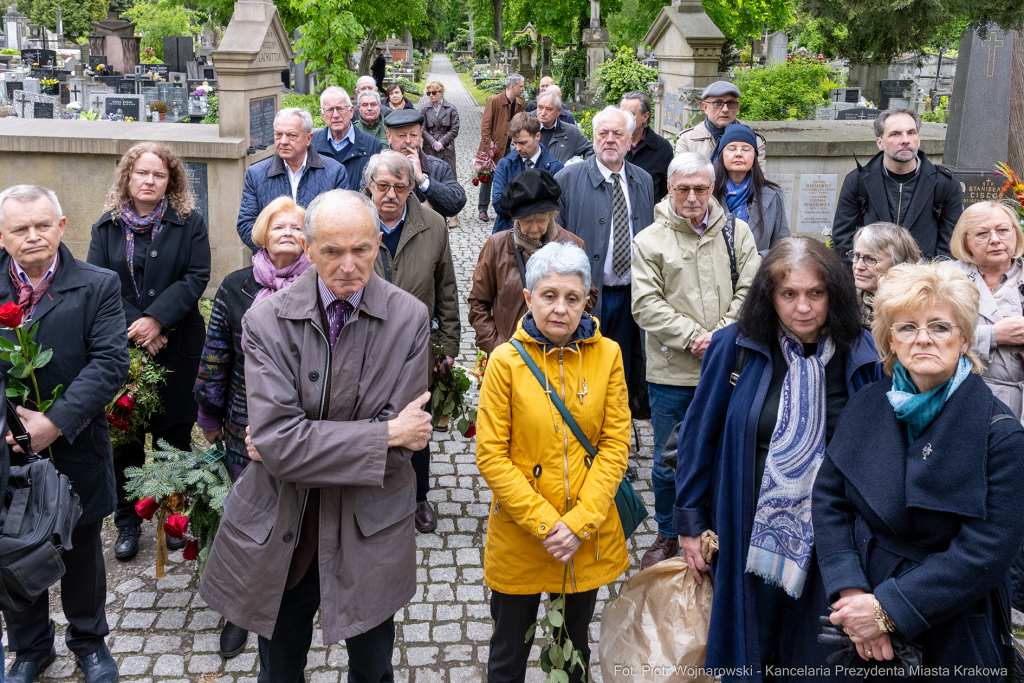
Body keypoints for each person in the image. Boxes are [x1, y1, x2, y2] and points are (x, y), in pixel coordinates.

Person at [199, 189, 433, 683]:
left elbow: (400, 449)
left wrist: (298, 442)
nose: (349, 265)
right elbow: (280, 444)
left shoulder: (410, 318)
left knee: (373, 671)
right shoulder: (265, 319)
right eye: (332, 251)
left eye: (362, 250)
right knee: (279, 671)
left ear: (377, 244)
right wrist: (385, 432)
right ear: (308, 249)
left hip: (370, 522)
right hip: (287, 525)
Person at [675, 237, 881, 682]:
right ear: (770, 297)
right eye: (789, 294)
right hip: (748, 522)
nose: (802, 307)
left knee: (816, 648)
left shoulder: (860, 352)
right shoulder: (737, 345)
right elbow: (699, 435)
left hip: (834, 532)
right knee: (755, 640)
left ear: (835, 295)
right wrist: (690, 524)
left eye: (815, 293)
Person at [813, 261, 1024, 674]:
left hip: (949, 617)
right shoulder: (868, 403)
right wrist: (852, 591)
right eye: (907, 327)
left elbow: (987, 550)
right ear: (890, 339)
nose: (922, 338)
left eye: (940, 327)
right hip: (856, 603)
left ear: (964, 338)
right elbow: (829, 499)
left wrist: (888, 610)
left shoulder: (1000, 435)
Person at [476, 241, 631, 683]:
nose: (560, 308)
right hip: (523, 534)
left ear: (587, 300)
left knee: (574, 646)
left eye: (572, 298)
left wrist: (579, 522)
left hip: (584, 534)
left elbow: (616, 443)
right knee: (508, 652)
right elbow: (491, 454)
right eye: (549, 296)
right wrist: (547, 525)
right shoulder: (504, 362)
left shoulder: (609, 356)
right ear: (528, 298)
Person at [0, 185, 130, 683]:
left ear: (61, 226)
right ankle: (31, 648)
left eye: (41, 225)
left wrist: (52, 425)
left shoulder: (97, 284)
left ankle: (89, 640)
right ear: (5, 236)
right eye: (19, 229)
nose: (32, 236)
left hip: (75, 442)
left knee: (81, 548)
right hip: (9, 449)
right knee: (13, 546)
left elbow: (109, 363)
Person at [194, 197, 312, 659]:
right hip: (246, 423)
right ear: (261, 233)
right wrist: (208, 415)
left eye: (298, 227)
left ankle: (294, 600)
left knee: (296, 517)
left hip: (303, 423)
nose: (287, 232)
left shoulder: (318, 286)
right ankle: (238, 610)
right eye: (278, 225)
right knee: (247, 518)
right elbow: (216, 353)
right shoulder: (236, 286)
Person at [631, 152, 759, 570]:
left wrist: (720, 338)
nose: (691, 197)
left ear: (711, 189)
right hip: (672, 373)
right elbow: (645, 305)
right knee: (671, 462)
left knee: (725, 454)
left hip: (729, 369)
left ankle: (720, 527)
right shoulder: (649, 240)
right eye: (683, 188)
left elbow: (753, 291)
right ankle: (669, 531)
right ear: (669, 188)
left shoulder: (736, 234)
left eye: (700, 189)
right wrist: (693, 339)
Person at [88, 142, 211, 562]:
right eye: (142, 173)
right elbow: (99, 283)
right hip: (123, 349)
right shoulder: (106, 227)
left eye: (159, 175)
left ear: (169, 181)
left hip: (177, 344)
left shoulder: (189, 222)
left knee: (172, 437)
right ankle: (127, 522)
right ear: (128, 176)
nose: (149, 180)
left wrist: (158, 319)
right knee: (124, 441)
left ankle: (172, 519)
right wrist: (139, 327)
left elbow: (197, 276)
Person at [365, 150, 460, 533]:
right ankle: (369, 496)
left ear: (410, 188)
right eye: (382, 186)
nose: (390, 194)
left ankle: (419, 498)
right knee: (367, 420)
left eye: (399, 187)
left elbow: (447, 287)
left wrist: (448, 344)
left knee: (416, 423)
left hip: (415, 347)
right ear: (369, 186)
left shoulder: (433, 224)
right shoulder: (355, 221)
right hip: (364, 344)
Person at [554, 106, 655, 388]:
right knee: (583, 369)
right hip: (587, 296)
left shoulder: (643, 180)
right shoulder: (568, 179)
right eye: (603, 133)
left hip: (632, 296)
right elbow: (554, 242)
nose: (610, 139)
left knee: (621, 372)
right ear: (594, 137)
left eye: (618, 133)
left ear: (630, 139)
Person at [469, 169, 595, 353]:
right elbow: (478, 303)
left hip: (557, 353)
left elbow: (589, 297)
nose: (534, 227)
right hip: (509, 353)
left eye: (541, 219)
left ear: (552, 215)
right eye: (526, 220)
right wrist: (496, 347)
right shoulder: (496, 245)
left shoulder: (573, 244)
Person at [832, 108, 963, 262]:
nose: (905, 140)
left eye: (911, 133)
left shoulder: (945, 185)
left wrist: (928, 280)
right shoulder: (857, 181)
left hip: (923, 281)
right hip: (873, 279)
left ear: (918, 139)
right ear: (879, 142)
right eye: (895, 134)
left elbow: (950, 245)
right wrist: (866, 273)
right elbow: (843, 239)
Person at [950, 200, 1024, 419]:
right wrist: (993, 336)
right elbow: (927, 334)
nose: (995, 240)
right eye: (982, 233)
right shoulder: (944, 278)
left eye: (1003, 230)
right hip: (964, 397)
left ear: (1016, 234)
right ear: (965, 241)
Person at [236, 107, 349, 251]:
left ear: (308, 138)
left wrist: (311, 254)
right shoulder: (255, 174)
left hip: (318, 263)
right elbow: (246, 224)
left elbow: (342, 222)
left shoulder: (335, 172)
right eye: (278, 134)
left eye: (291, 135)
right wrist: (278, 252)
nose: (283, 141)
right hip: (273, 263)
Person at [711, 122, 789, 257]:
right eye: (732, 148)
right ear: (722, 154)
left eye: (746, 149)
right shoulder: (707, 192)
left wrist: (762, 257)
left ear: (755, 156)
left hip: (756, 274)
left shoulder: (772, 194)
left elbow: (783, 244)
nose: (739, 154)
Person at [384, 109, 468, 223]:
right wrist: (423, 208)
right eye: (401, 136)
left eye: (414, 135)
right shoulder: (376, 167)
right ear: (389, 137)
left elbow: (456, 204)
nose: (408, 141)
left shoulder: (439, 167)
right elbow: (369, 207)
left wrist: (422, 179)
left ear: (420, 136)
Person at [491, 112, 564, 233]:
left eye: (523, 143)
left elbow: (556, 208)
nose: (518, 148)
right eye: (514, 143)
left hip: (541, 235)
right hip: (507, 234)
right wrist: (538, 204)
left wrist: (513, 199)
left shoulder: (556, 167)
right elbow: (498, 204)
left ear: (537, 136)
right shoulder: (504, 164)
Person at [673, 81, 766, 172]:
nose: (725, 109)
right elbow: (681, 179)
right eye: (717, 103)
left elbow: (759, 182)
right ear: (705, 108)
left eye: (730, 103)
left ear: (737, 107)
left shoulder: (753, 140)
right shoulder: (687, 140)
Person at [311, 86, 383, 192]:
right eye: (330, 110)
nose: (335, 115)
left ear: (351, 111)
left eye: (340, 109)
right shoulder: (311, 143)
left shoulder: (372, 145)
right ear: (322, 114)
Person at [848, 222, 920, 326]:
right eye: (856, 256)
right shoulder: (847, 302)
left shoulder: (915, 308)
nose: (858, 266)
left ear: (899, 264)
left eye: (871, 259)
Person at [477, 74, 525, 222]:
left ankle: (506, 206)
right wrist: (487, 147)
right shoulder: (494, 101)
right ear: (512, 86)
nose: (523, 88)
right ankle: (483, 209)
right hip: (494, 146)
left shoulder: (519, 103)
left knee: (510, 176)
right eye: (521, 86)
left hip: (511, 146)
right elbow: (486, 125)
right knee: (487, 178)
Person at [621, 91, 673, 201]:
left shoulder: (662, 148)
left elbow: (663, 188)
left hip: (647, 213)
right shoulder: (612, 143)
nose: (625, 119)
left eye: (631, 114)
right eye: (622, 114)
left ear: (645, 116)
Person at [535, 89, 591, 165]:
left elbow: (591, 149)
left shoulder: (571, 132)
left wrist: (584, 168)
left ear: (558, 111)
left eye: (548, 109)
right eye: (540, 107)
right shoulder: (528, 129)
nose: (543, 113)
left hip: (559, 176)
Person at [420, 81, 460, 183]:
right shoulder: (425, 109)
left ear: (441, 93)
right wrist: (433, 143)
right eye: (429, 93)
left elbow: (454, 129)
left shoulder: (451, 109)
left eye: (434, 92)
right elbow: (422, 128)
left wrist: (441, 142)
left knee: (449, 177)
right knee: (430, 176)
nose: (431, 95)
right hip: (429, 147)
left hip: (446, 148)